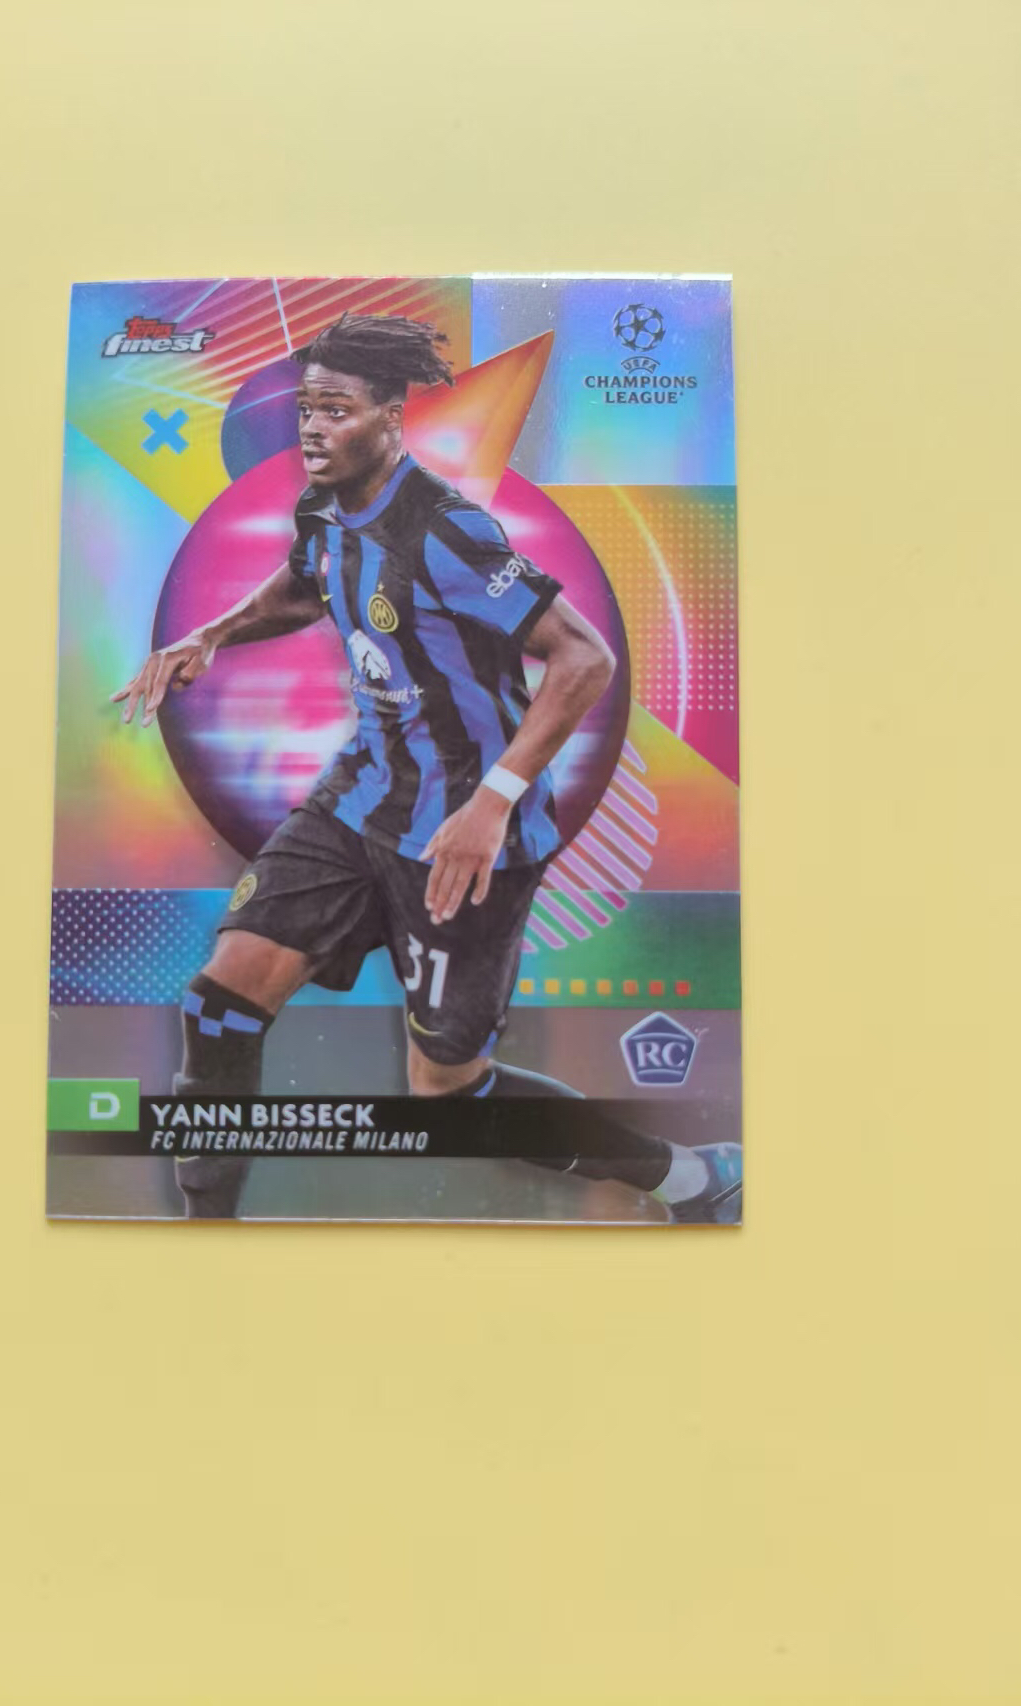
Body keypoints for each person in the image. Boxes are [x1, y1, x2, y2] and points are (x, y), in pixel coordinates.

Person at [114, 314, 741, 1223]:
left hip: (464, 833)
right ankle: (205, 1230)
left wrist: (492, 802)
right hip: (362, 794)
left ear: (389, 417)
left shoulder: (447, 532)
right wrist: (211, 633)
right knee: (219, 1004)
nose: (312, 428)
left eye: (336, 410)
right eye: (306, 408)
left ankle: (689, 1179)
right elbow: (307, 581)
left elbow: (583, 658)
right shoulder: (322, 505)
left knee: (447, 1092)